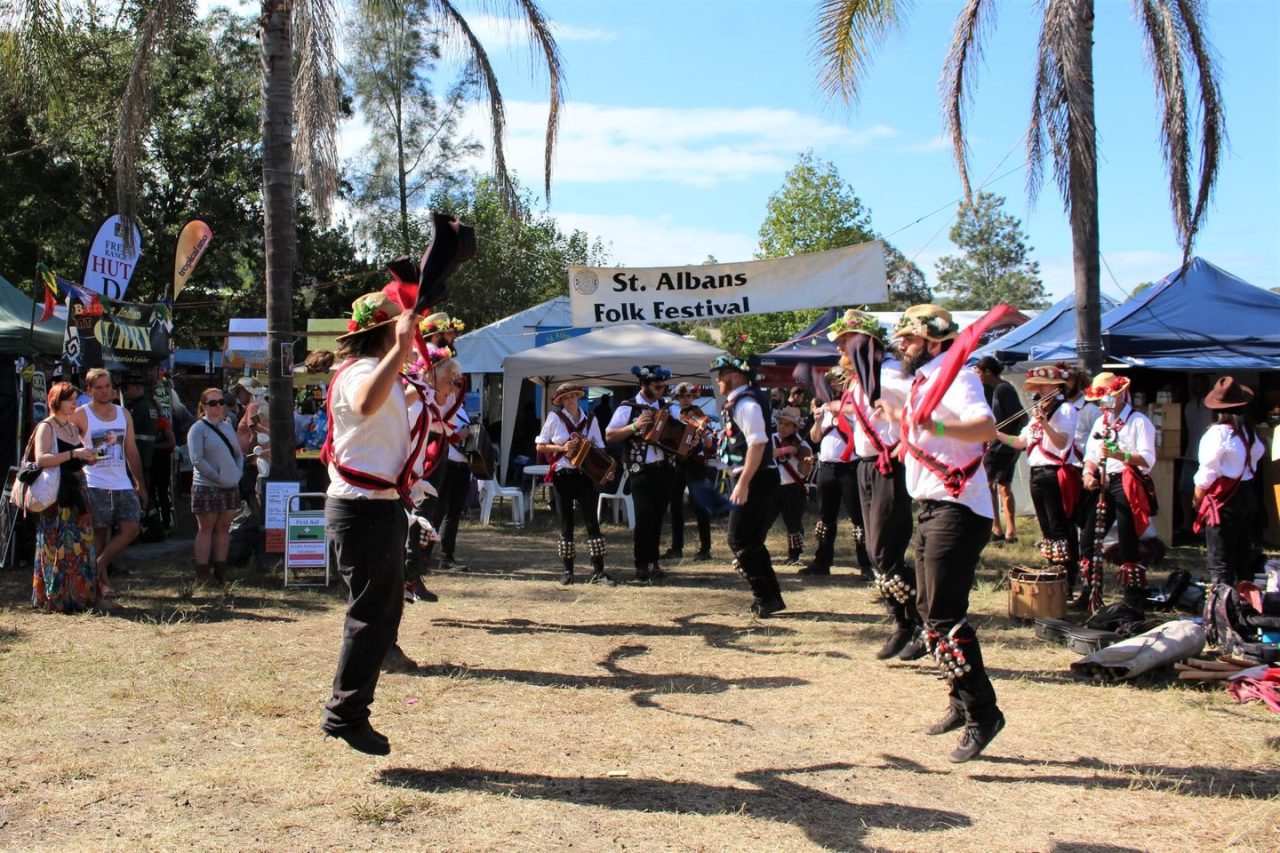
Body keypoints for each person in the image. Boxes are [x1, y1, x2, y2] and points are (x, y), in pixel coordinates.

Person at [882, 304, 1004, 763]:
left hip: (958, 506)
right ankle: (960, 700)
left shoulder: (959, 376)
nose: (903, 348)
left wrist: (929, 423)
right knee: (928, 608)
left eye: (910, 340)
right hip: (932, 505)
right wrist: (900, 427)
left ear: (934, 341)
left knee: (944, 615)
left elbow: (985, 428)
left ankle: (982, 713)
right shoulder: (925, 380)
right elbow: (925, 436)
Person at [321, 291, 418, 756]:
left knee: (382, 613)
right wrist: (400, 351)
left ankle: (350, 711)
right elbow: (363, 405)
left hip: (376, 505)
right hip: (362, 508)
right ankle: (345, 715)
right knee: (371, 614)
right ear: (385, 334)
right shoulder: (359, 373)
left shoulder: (384, 372)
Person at [827, 309, 921, 661]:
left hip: (888, 465)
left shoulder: (890, 373)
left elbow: (921, 410)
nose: (839, 349)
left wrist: (902, 443)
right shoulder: (861, 378)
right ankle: (903, 622)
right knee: (875, 552)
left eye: (844, 342)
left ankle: (923, 621)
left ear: (864, 343)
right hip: (865, 466)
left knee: (884, 550)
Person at [1080, 372, 1157, 618]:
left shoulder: (1138, 421)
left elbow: (1147, 459)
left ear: (1122, 394)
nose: (1107, 403)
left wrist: (1119, 455)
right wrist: (1088, 473)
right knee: (1088, 537)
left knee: (1127, 540)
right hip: (1104, 482)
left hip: (1126, 480)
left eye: (1111, 397)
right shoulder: (1101, 422)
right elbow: (1091, 454)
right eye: (1103, 399)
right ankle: (1090, 592)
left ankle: (1133, 598)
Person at [712, 355, 784, 617]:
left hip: (756, 477)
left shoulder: (747, 403)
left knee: (738, 539)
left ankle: (764, 597)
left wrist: (743, 483)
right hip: (754, 476)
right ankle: (771, 597)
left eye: (722, 373)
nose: (718, 379)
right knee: (752, 540)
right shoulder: (739, 402)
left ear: (737, 375)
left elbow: (758, 444)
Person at [993, 365, 1081, 575]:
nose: (1038, 392)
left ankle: (1066, 573)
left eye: (1042, 388)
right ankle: (1053, 568)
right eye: (1038, 388)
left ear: (1055, 388)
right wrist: (996, 434)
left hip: (1054, 472)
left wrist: (1045, 424)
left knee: (1059, 526)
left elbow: (1061, 443)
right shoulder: (1037, 414)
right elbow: (1020, 442)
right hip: (1037, 473)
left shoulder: (1065, 410)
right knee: (1047, 527)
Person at [71, 367, 147, 597]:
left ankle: (95, 569)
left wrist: (139, 482)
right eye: (99, 387)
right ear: (89, 390)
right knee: (100, 534)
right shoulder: (82, 414)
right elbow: (69, 447)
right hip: (94, 482)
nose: (105, 391)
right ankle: (102, 585)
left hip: (121, 482)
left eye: (108, 386)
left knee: (131, 528)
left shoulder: (124, 414)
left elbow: (131, 450)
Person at [31, 381, 101, 612]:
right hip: (58, 493)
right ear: (56, 401)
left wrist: (89, 456)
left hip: (77, 490)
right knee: (57, 542)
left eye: (74, 399)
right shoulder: (46, 426)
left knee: (80, 544)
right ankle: (56, 596)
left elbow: (74, 457)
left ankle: (80, 595)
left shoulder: (72, 427)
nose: (74, 404)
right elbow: (42, 459)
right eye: (70, 399)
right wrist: (74, 452)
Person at [536, 383, 616, 585]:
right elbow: (541, 446)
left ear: (578, 398)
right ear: (561, 401)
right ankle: (568, 571)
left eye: (573, 396)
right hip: (562, 475)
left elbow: (599, 446)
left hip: (585, 475)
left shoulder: (590, 419)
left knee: (592, 522)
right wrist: (562, 447)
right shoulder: (555, 418)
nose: (570, 401)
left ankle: (599, 571)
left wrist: (605, 468)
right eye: (566, 398)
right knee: (566, 523)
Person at [605, 365, 679, 583]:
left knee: (657, 518)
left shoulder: (668, 407)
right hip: (641, 471)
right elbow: (609, 435)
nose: (661, 389)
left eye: (663, 386)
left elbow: (680, 432)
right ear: (644, 385)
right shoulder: (628, 407)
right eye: (657, 386)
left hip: (665, 470)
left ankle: (654, 562)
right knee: (643, 518)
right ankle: (641, 565)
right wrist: (635, 426)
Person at [1192, 377, 1264, 587]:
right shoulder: (1250, 432)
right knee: (1242, 555)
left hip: (1225, 500)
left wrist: (1198, 498)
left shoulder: (1218, 434)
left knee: (1220, 559)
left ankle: (1222, 609)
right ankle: (1244, 605)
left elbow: (1207, 470)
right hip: (1247, 495)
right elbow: (1257, 456)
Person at [805, 361, 873, 578]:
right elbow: (815, 438)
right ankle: (822, 562)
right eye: (832, 382)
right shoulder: (823, 407)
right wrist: (817, 422)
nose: (835, 385)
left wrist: (843, 417)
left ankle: (866, 564)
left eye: (839, 381)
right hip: (826, 467)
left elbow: (863, 431)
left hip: (849, 468)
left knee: (858, 518)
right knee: (826, 517)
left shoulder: (855, 406)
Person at [187, 388, 244, 584]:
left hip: (230, 484)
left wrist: (237, 473)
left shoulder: (227, 426)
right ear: (203, 406)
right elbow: (197, 459)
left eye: (221, 402)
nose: (218, 406)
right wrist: (218, 477)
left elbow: (238, 453)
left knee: (224, 527)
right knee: (206, 528)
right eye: (212, 403)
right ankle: (202, 572)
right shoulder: (197, 429)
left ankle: (221, 569)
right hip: (207, 485)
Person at [976, 356, 1024, 543]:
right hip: (1002, 446)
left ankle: (998, 528)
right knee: (1003, 487)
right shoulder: (994, 389)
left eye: (979, 372)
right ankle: (1007, 530)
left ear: (988, 371)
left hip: (1001, 447)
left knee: (989, 485)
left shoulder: (1004, 388)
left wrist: (1002, 436)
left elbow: (1021, 417)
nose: (977, 375)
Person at [664, 382, 712, 561]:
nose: (685, 399)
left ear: (693, 398)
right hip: (677, 462)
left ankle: (705, 549)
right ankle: (677, 548)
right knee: (675, 505)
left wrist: (703, 433)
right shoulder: (672, 413)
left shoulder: (699, 415)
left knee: (699, 504)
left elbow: (709, 444)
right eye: (682, 396)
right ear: (677, 398)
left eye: (689, 396)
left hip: (695, 462)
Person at [766, 406, 812, 565]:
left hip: (792, 487)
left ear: (794, 428)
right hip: (772, 487)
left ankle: (795, 555)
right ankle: (757, 550)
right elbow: (766, 454)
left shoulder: (803, 445)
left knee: (793, 522)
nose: (782, 427)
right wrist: (786, 450)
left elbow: (805, 470)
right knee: (764, 520)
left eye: (787, 425)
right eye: (780, 424)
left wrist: (806, 462)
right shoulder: (770, 439)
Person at [1179, 374, 1215, 535]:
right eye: (1195, 384)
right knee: (1184, 490)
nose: (1197, 387)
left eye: (1200, 383)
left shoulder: (1212, 406)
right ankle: (1188, 523)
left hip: (1208, 456)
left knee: (1205, 491)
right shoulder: (1189, 406)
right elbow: (1185, 430)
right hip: (1191, 453)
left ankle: (1206, 524)